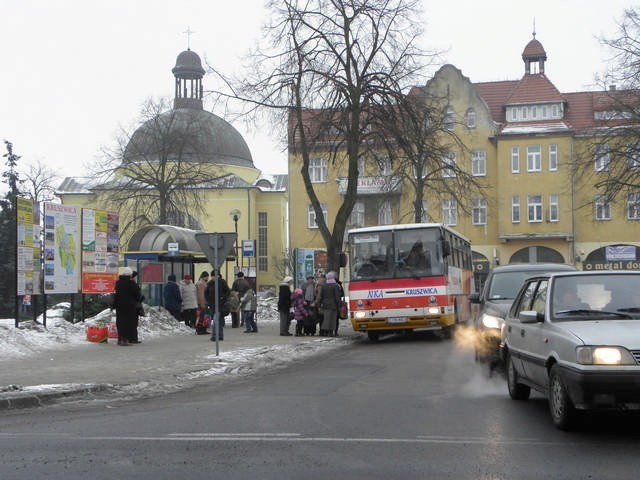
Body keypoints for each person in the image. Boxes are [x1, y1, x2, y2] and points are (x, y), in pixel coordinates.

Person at [112, 267, 142, 346]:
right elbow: (137, 295)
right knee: (128, 322)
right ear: (130, 275)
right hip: (129, 306)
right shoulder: (131, 283)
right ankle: (125, 340)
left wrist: (114, 304)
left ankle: (120, 339)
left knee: (120, 322)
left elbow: (115, 294)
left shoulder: (118, 282)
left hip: (119, 306)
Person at [206, 270, 230, 341]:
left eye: (214, 276)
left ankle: (215, 336)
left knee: (216, 321)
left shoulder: (222, 282)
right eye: (212, 276)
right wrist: (209, 301)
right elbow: (206, 293)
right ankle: (220, 336)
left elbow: (228, 292)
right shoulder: (210, 283)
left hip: (220, 305)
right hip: (212, 305)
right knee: (218, 321)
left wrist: (223, 298)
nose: (213, 277)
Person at [316, 271, 342, 336]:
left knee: (326, 319)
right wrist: (339, 305)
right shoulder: (335, 286)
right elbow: (337, 297)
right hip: (333, 305)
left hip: (325, 305)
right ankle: (331, 332)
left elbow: (321, 296)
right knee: (333, 319)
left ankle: (325, 332)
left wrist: (319, 304)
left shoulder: (324, 286)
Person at [129, 270, 144, 344]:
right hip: (134, 306)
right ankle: (133, 339)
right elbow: (138, 296)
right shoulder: (134, 285)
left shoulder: (127, 284)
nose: (136, 278)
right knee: (134, 322)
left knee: (130, 322)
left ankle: (130, 338)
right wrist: (141, 298)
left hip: (129, 306)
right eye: (135, 277)